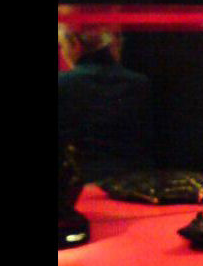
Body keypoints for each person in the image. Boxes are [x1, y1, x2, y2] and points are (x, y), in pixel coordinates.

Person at [58, 24, 153, 183]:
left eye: (61, 46)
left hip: (80, 185)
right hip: (134, 184)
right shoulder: (141, 84)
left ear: (74, 43)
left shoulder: (62, 84)